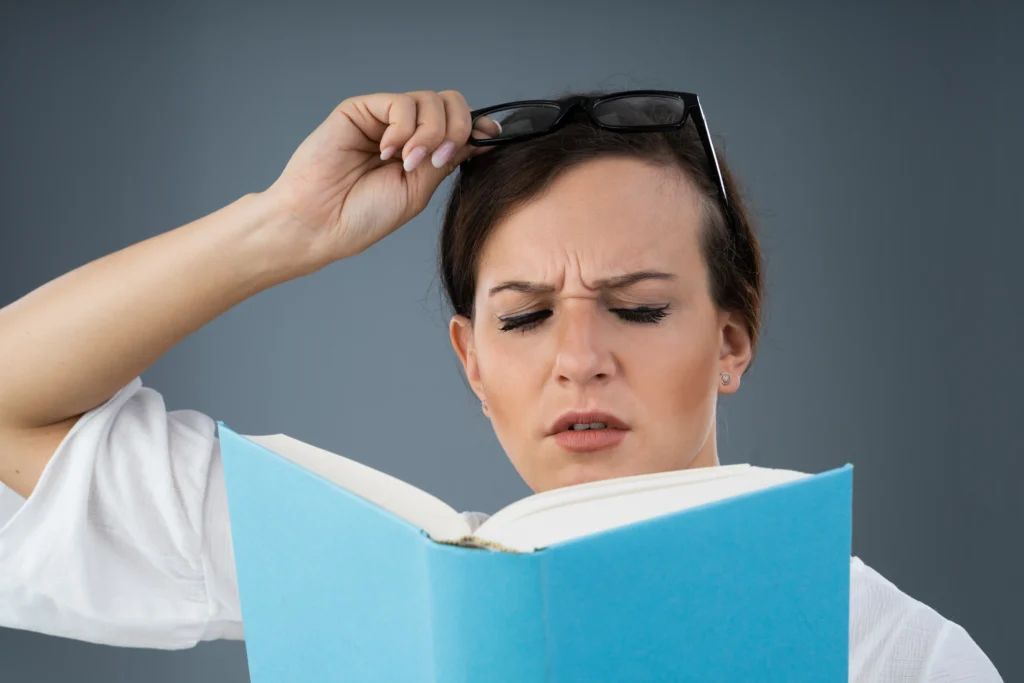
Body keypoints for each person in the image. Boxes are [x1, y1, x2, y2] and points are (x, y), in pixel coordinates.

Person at [0, 88, 1002, 682]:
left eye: (637, 307)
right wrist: (278, 226)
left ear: (730, 341)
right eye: (523, 316)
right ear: (471, 361)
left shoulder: (889, 653)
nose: (579, 356)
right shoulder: (378, 579)